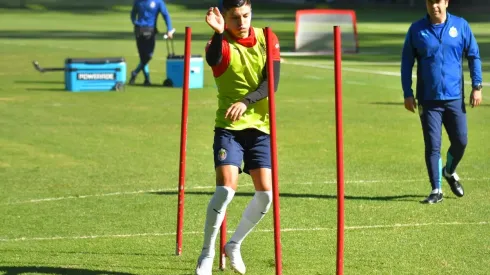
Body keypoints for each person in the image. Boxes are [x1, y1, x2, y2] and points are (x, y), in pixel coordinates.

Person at [195, 0, 281, 274]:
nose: (242, 22)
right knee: (225, 190)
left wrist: (246, 101)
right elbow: (213, 59)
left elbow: (272, 83)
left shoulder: (268, 38)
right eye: (235, 18)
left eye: (246, 15)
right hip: (229, 129)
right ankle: (207, 254)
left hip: (260, 128)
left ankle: (233, 244)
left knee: (266, 196)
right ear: (225, 18)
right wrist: (219, 33)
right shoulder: (217, 44)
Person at [401, 0, 483, 204]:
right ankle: (436, 190)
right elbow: (406, 63)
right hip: (428, 100)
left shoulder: (461, 26)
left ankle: (449, 171)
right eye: (429, 2)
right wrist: (407, 92)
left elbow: (473, 55)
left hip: (454, 97)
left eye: (437, 1)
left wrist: (477, 86)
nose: (434, 6)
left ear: (446, 2)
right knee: (433, 145)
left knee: (461, 141)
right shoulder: (416, 30)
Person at [129, 0, 175, 86]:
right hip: (139, 30)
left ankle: (136, 73)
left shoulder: (158, 2)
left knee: (147, 56)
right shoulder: (138, 1)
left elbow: (165, 15)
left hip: (149, 30)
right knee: (144, 56)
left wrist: (169, 29)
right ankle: (146, 79)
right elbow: (133, 13)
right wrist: (135, 23)